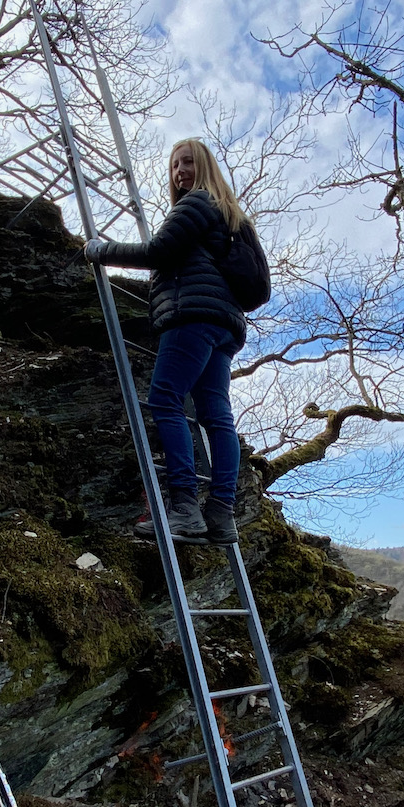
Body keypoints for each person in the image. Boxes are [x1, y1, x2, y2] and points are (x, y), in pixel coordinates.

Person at [83, 138, 254, 546]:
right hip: (223, 326)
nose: (180, 172)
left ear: (205, 166)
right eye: (175, 166)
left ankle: (185, 508)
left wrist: (100, 250)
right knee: (217, 417)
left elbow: (157, 251)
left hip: (192, 317)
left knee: (164, 398)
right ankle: (221, 514)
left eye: (188, 163)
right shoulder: (226, 211)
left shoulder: (197, 202)